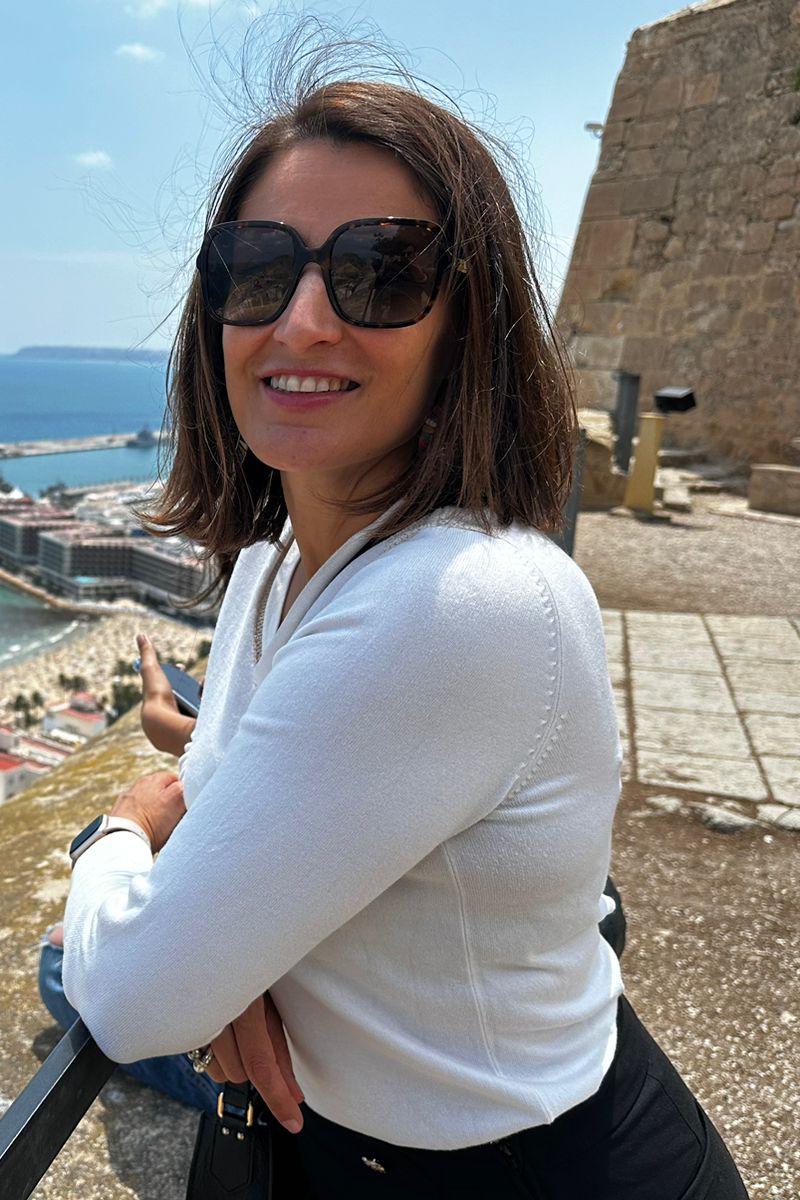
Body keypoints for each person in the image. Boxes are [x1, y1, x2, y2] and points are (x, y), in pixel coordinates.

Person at [45, 75, 748, 1198]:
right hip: (358, 1148)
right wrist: (230, 972)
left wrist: (117, 830)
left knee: (66, 969)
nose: (300, 321)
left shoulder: (458, 601)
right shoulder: (277, 562)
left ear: (468, 324)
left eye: (381, 272)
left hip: (524, 1176)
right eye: (256, 270)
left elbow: (132, 997)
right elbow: (254, 818)